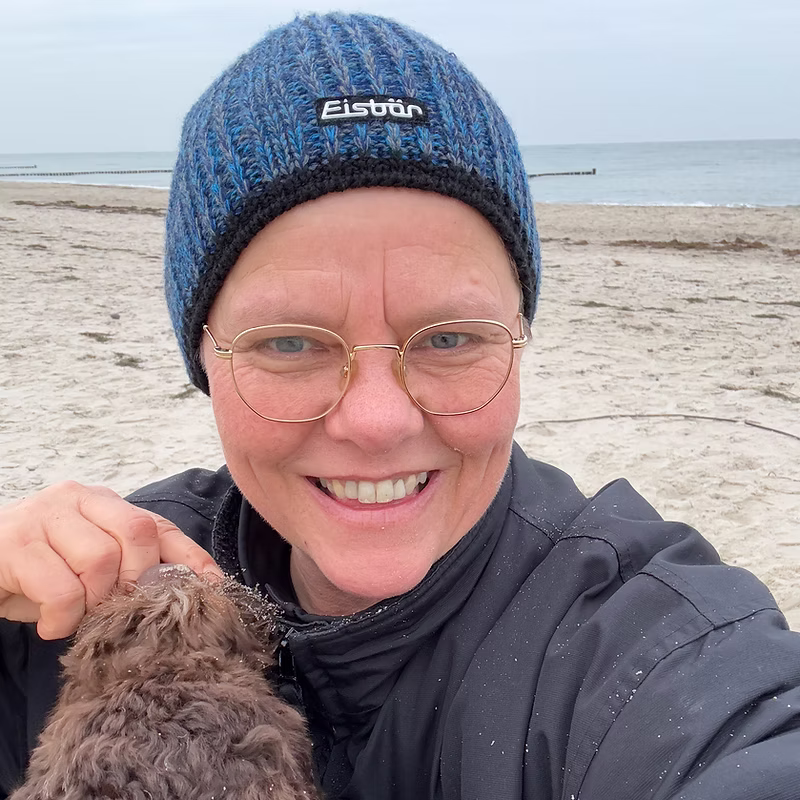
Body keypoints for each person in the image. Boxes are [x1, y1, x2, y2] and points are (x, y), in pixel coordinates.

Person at [1, 12, 799, 800]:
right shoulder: (84, 605)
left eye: (449, 338)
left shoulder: (649, 650)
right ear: (204, 359)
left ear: (519, 340)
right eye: (290, 342)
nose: (377, 421)